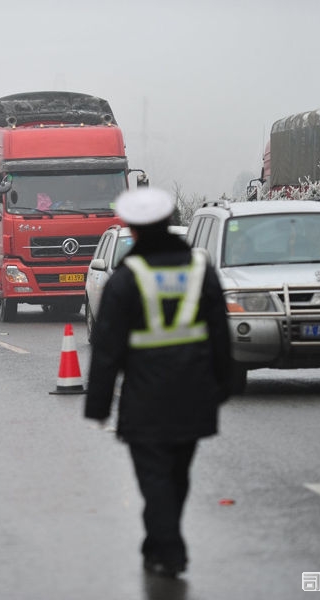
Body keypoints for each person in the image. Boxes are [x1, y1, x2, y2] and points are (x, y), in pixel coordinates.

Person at [85, 187, 231, 579]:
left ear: (133, 231)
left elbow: (107, 347)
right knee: (177, 476)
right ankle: (160, 543)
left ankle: (168, 549)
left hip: (146, 399)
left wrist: (97, 404)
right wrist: (227, 382)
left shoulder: (125, 279)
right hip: (195, 393)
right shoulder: (200, 270)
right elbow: (220, 331)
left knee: (154, 479)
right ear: (169, 224)